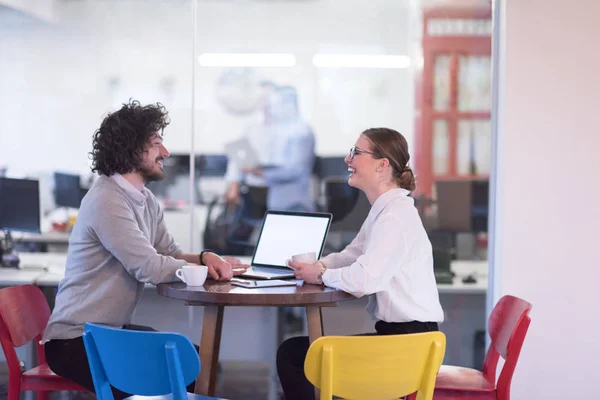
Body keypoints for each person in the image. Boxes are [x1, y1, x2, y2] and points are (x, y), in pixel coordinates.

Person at [42, 100, 249, 399]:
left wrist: (206, 258)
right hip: (75, 340)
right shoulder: (107, 200)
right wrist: (202, 271)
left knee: (190, 361)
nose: (165, 153)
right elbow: (149, 267)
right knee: (175, 368)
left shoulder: (145, 199)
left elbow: (169, 252)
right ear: (131, 149)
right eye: (156, 144)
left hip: (108, 332)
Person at [276, 127, 444, 400]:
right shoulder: (386, 211)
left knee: (294, 355)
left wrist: (319, 275)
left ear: (382, 165)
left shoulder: (394, 217)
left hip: (408, 347)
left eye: (356, 152)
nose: (347, 159)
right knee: (300, 352)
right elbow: (351, 256)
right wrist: (316, 265)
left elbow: (365, 279)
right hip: (404, 341)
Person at [225, 85, 316, 213]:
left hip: (288, 200)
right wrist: (234, 186)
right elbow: (238, 156)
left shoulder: (300, 131)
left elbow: (295, 170)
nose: (265, 105)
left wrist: (259, 171)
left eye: (269, 100)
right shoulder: (253, 127)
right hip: (254, 195)